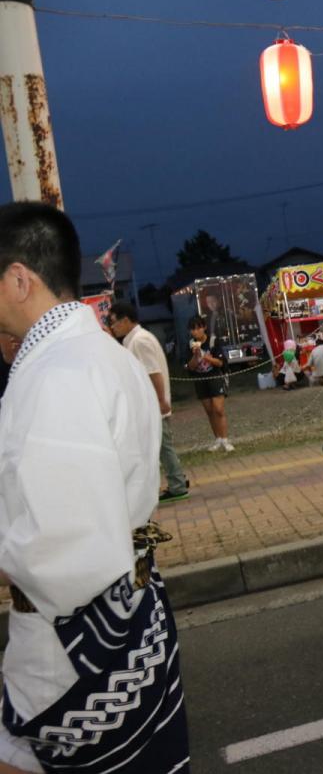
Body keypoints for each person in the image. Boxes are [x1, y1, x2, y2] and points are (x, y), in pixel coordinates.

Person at [0, 202, 189, 772]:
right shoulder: (102, 354)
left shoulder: (57, 374)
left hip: (76, 639)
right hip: (127, 610)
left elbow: (60, 549)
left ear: (18, 280)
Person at [108, 300, 190, 503]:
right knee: (161, 446)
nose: (113, 327)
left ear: (125, 320)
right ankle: (177, 480)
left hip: (153, 405)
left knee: (163, 446)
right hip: (150, 404)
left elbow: (154, 372)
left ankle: (178, 485)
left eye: (114, 322)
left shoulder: (139, 341)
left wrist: (161, 400)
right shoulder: (135, 339)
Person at [186, 313, 234, 451]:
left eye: (198, 328)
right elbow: (190, 367)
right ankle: (217, 439)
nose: (196, 331)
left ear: (204, 327)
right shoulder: (190, 344)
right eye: (193, 329)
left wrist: (205, 356)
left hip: (215, 376)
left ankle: (225, 440)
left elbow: (220, 362)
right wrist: (196, 356)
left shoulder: (213, 341)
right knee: (210, 411)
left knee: (218, 409)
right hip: (200, 379)